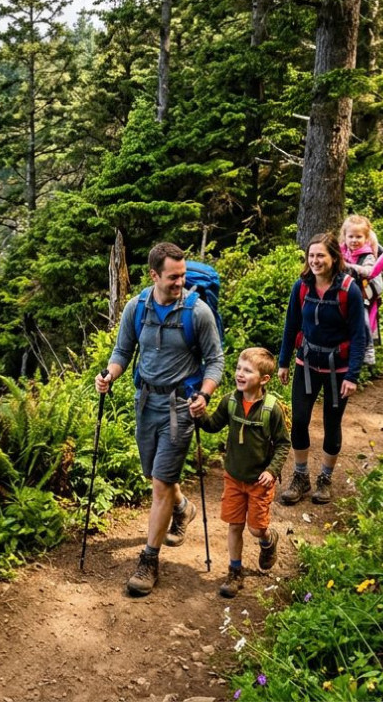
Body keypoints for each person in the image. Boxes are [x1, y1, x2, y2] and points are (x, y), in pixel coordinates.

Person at [96, 242, 224, 596]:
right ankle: (182, 509)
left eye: (182, 276)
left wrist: (206, 393)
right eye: (172, 277)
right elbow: (122, 351)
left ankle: (149, 561)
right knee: (155, 475)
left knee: (160, 483)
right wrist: (109, 374)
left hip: (180, 407)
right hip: (145, 402)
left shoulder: (197, 313)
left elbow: (215, 361)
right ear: (154, 275)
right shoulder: (136, 309)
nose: (179, 282)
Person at [277, 232, 368, 506]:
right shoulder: (301, 287)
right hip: (306, 362)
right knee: (300, 421)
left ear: (334, 258)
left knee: (331, 423)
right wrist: (283, 362)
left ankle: (325, 479)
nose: (315, 261)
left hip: (337, 370)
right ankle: (301, 475)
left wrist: (352, 375)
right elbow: (291, 325)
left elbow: (359, 335)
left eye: (321, 256)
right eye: (311, 255)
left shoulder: (348, 290)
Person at [195, 347, 290, 598]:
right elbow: (214, 426)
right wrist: (199, 414)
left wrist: (272, 471)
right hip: (234, 477)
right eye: (238, 368)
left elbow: (283, 444)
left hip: (260, 480)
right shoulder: (230, 401)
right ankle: (234, 572)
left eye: (247, 371)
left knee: (256, 529)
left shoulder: (272, 409)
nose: (240, 374)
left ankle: (268, 540)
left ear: (264, 379)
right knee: (234, 525)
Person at [340, 214, 383, 366]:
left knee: (363, 320)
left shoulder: (367, 255)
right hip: (342, 291)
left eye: (358, 237)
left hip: (361, 293)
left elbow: (368, 271)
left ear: (366, 238)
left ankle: (369, 349)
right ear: (345, 237)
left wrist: (350, 267)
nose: (354, 240)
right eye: (351, 236)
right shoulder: (341, 252)